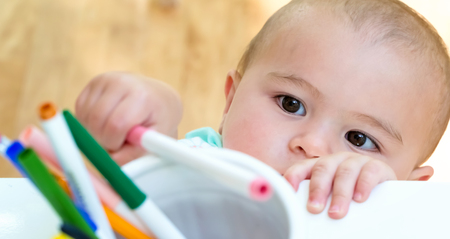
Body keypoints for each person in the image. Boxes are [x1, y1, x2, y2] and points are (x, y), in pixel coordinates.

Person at [75, 0, 450, 219]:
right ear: (230, 101)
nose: (313, 146)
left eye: (359, 139)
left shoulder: (391, 230)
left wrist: (383, 213)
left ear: (410, 188)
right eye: (291, 104)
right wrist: (151, 128)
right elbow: (143, 190)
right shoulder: (204, 166)